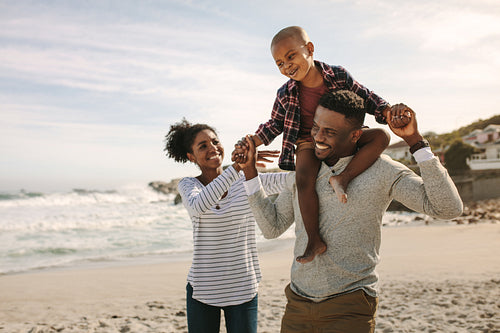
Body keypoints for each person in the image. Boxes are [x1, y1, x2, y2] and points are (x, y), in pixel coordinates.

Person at [238, 90, 463, 332]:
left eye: (330, 132)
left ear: (356, 135)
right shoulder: (304, 173)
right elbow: (272, 228)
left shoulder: (382, 171)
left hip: (350, 305)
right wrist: (250, 172)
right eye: (315, 127)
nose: (318, 137)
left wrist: (415, 141)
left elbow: (448, 208)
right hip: (298, 303)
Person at [243, 26, 410, 264]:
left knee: (381, 137)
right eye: (279, 63)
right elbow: (275, 124)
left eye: (291, 56)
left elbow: (366, 97)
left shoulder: (338, 75)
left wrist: (387, 111)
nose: (286, 66)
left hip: (341, 137)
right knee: (303, 179)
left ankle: (343, 178)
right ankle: (314, 240)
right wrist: (253, 141)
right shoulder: (285, 93)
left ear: (309, 49)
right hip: (308, 142)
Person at [163, 119, 287, 333]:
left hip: (243, 288)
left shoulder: (247, 179)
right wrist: (237, 167)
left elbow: (294, 181)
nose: (212, 147)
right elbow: (199, 205)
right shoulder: (188, 185)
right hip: (203, 289)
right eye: (203, 146)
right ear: (191, 157)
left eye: (215, 141)